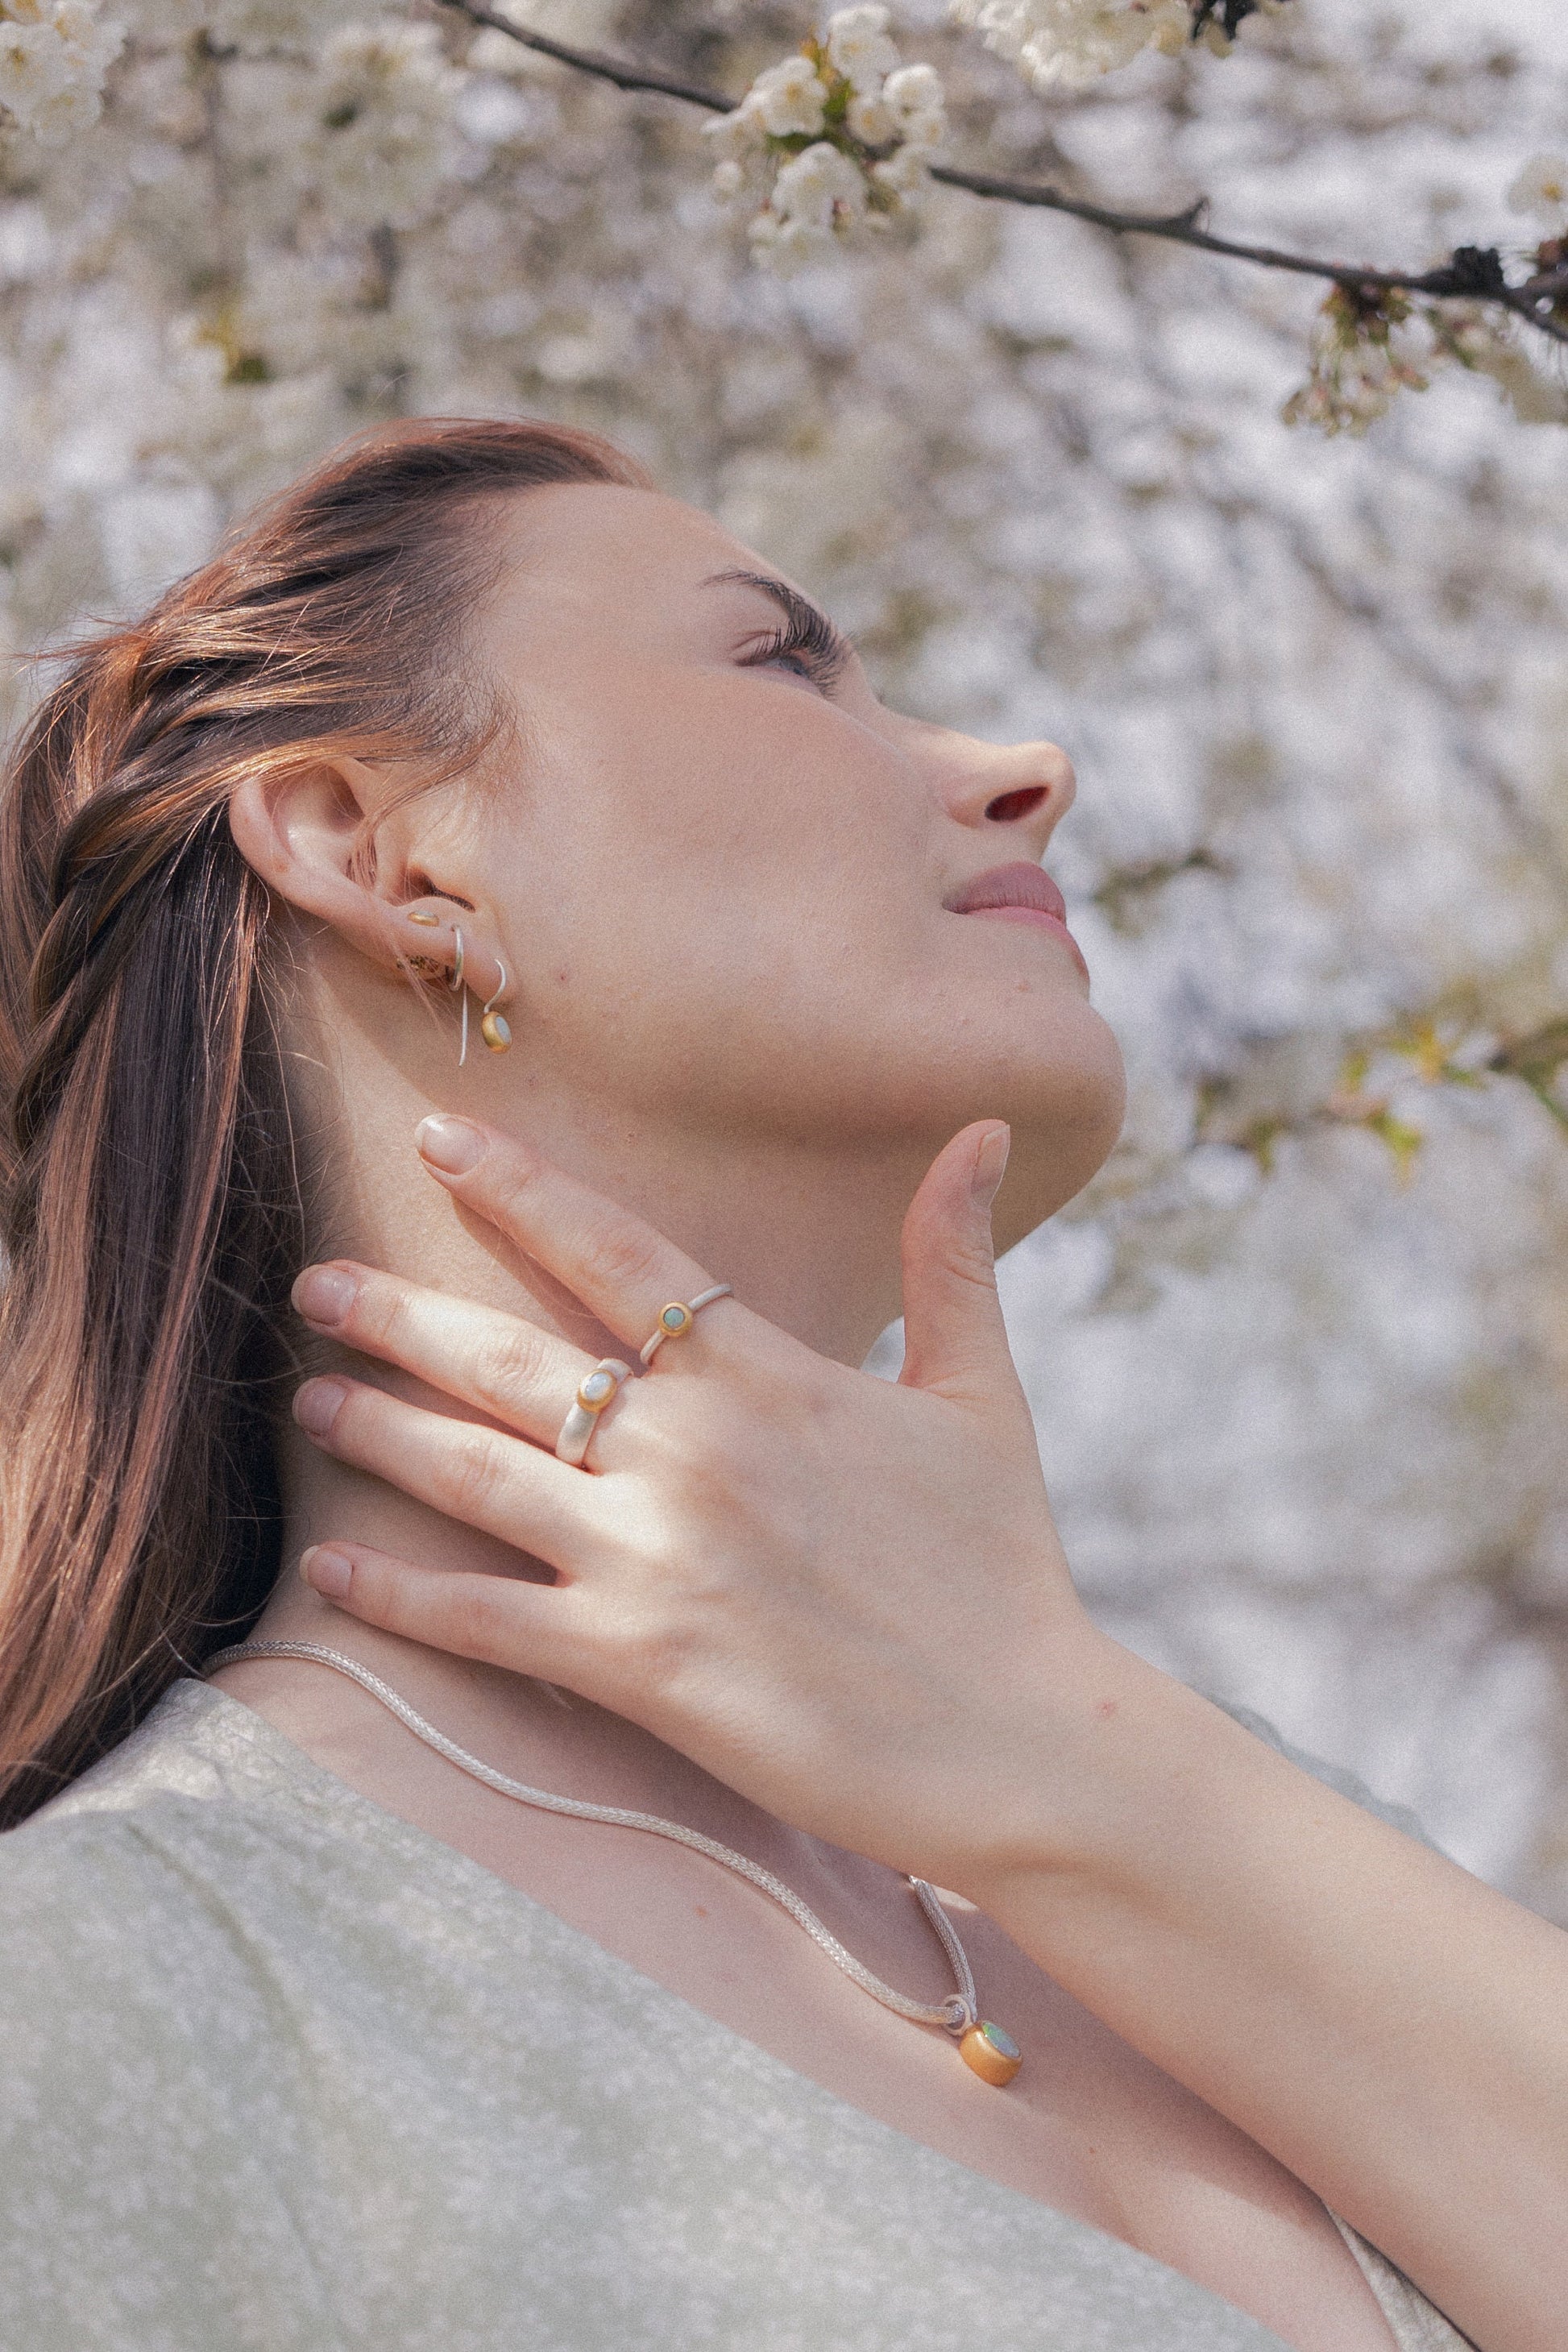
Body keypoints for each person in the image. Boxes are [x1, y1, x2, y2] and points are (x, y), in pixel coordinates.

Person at [0, 417, 1558, 2352]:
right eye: (783, 654)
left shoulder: (1237, 1816)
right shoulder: (110, 2009)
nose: (1024, 769)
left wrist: (1055, 1744)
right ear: (373, 845)